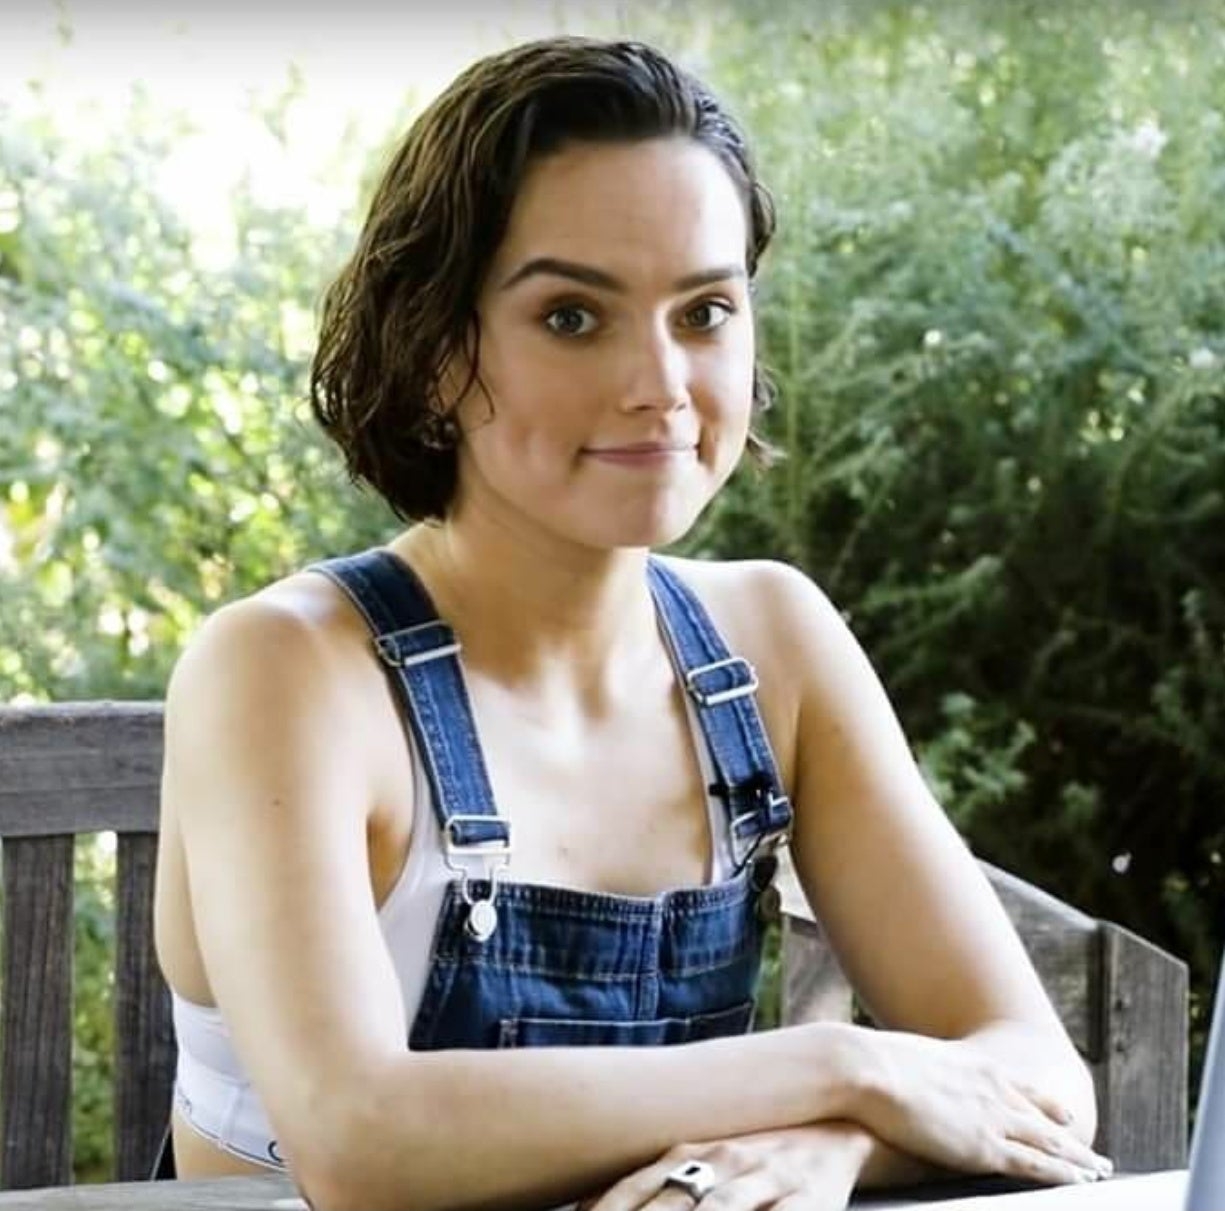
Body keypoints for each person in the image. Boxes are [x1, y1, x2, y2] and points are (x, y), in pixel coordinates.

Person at [152, 35, 1113, 1211]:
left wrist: (835, 1146)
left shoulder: (772, 641)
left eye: (704, 309)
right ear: (436, 347)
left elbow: (1036, 1077)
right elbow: (361, 1141)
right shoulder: (285, 668)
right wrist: (841, 1065)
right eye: (570, 316)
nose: (658, 382)